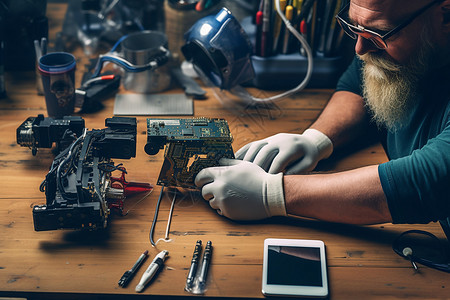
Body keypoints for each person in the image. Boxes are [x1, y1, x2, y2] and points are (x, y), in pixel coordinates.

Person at [194, 0, 450, 233]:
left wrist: (273, 194)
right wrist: (316, 139)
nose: (360, 48)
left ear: (445, 15)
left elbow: (425, 182)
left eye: (378, 34)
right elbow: (358, 84)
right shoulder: (395, 43)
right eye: (354, 27)